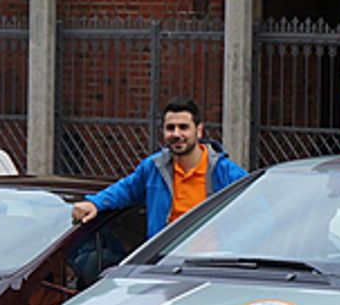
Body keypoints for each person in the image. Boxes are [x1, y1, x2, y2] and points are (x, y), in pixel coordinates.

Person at [72, 99, 245, 232]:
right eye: (170, 128)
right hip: (163, 267)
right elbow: (125, 190)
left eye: (183, 127)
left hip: (209, 268)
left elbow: (258, 215)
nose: (176, 134)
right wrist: (95, 204)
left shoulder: (228, 173)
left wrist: (233, 249)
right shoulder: (154, 168)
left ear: (199, 131)